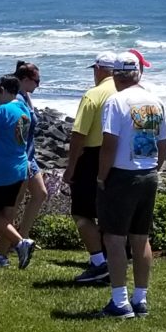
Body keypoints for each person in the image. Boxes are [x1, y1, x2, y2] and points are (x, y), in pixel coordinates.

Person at [92, 52, 166, 319]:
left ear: (115, 75)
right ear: (138, 73)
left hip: (121, 176)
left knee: (114, 238)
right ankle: (140, 298)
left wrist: (102, 176)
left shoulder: (116, 101)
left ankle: (119, 301)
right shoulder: (154, 101)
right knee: (140, 238)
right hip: (148, 174)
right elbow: (164, 146)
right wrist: (153, 168)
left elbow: (109, 144)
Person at [66, 53, 122, 284]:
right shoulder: (125, 93)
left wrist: (71, 167)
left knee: (82, 212)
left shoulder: (94, 95)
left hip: (93, 156)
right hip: (119, 157)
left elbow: (79, 135)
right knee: (110, 211)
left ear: (99, 69)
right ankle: (114, 258)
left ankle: (99, 262)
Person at [0, 76, 37, 269]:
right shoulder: (23, 109)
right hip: (18, 168)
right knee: (6, 215)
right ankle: (1, 255)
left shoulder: (2, 111)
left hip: (0, 170)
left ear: (2, 90)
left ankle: (21, 242)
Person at [11, 60, 51, 249]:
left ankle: (22, 236)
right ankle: (13, 241)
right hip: (23, 157)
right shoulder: (17, 100)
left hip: (30, 155)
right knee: (15, 202)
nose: (38, 84)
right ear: (25, 79)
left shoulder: (25, 96)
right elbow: (19, 133)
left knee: (40, 194)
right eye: (37, 81)